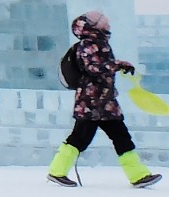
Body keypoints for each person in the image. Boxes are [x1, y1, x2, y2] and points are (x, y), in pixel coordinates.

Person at [48, 11, 162, 187]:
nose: (108, 26)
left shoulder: (99, 44)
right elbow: (94, 68)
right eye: (104, 24)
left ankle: (138, 175)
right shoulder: (88, 45)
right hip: (90, 103)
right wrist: (116, 65)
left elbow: (101, 66)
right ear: (94, 27)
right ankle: (57, 171)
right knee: (79, 139)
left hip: (105, 102)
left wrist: (119, 65)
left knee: (122, 138)